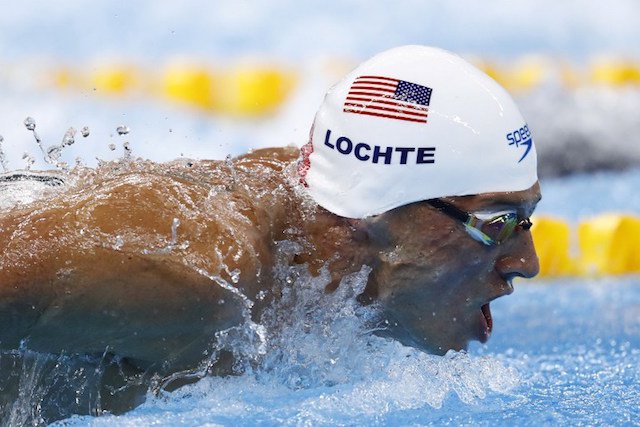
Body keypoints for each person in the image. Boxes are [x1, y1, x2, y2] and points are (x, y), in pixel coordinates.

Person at [0, 45, 540, 417]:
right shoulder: (194, 277)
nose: (528, 262)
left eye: (526, 220)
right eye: (497, 224)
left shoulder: (314, 233)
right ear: (375, 215)